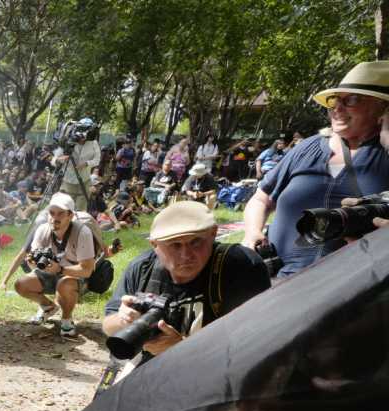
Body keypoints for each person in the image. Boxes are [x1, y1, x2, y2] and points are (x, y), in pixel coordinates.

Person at [242, 61, 389, 281]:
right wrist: (252, 232)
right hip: (274, 283)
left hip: (349, 293)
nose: (337, 108)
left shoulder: (385, 153)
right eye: (334, 100)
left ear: (383, 108)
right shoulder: (307, 147)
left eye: (352, 100)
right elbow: (261, 200)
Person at [103, 201, 269, 364]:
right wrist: (123, 320)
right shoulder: (142, 268)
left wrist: (180, 349)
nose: (186, 255)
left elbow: (256, 347)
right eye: (175, 245)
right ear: (154, 244)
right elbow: (108, 326)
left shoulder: (239, 267)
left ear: (213, 233)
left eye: (196, 242)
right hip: (148, 371)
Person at [14, 192, 97, 338]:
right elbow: (34, 264)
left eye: (60, 214)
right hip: (49, 273)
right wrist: (33, 262)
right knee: (21, 284)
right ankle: (48, 307)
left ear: (70, 216)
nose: (55, 218)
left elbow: (87, 270)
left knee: (64, 285)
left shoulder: (82, 232)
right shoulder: (42, 230)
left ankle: (66, 319)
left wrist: (60, 269)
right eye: (51, 213)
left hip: (75, 277)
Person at [54, 118, 101, 210]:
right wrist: (60, 159)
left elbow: (97, 160)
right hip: (68, 181)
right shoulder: (67, 140)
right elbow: (55, 159)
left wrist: (87, 163)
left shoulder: (93, 143)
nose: (83, 139)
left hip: (85, 180)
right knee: (66, 208)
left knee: (80, 210)